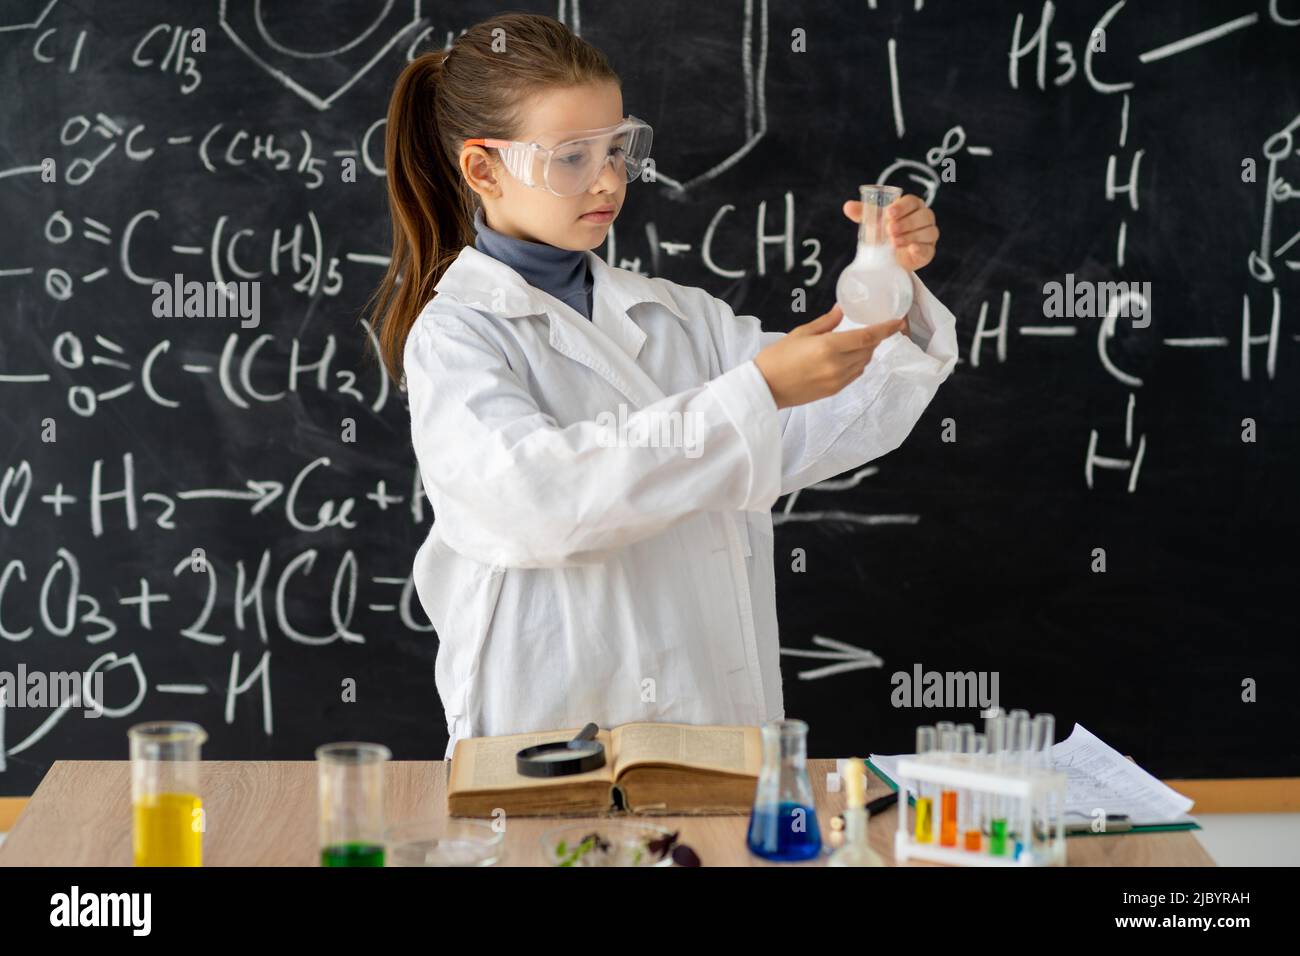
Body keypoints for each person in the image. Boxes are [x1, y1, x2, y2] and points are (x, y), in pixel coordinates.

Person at [366, 13, 958, 759]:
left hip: (711, 714)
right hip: (546, 728)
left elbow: (826, 426)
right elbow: (537, 504)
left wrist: (887, 287)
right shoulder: (458, 334)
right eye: (571, 158)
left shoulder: (680, 316)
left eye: (617, 148)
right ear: (483, 169)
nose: (610, 178)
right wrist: (754, 393)